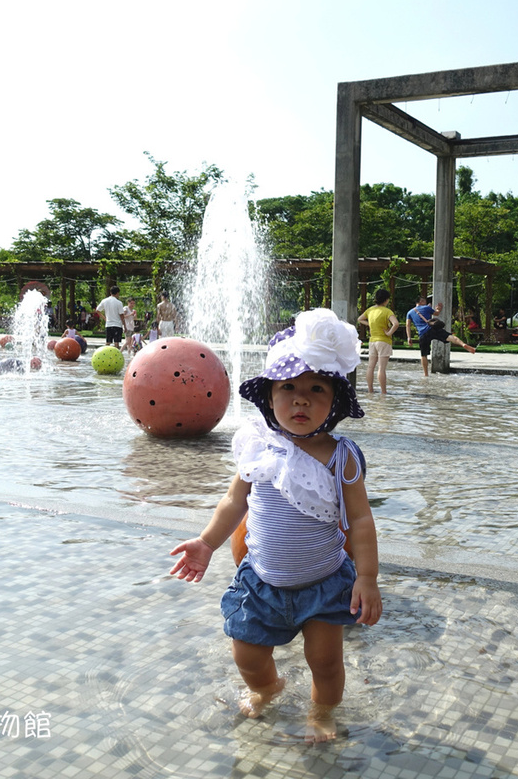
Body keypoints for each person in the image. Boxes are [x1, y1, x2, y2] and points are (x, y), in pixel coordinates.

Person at [169, 309, 381, 742]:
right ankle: (267, 688)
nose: (300, 400)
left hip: (323, 583)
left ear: (335, 401)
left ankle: (322, 712)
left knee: (325, 662)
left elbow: (360, 519)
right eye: (288, 388)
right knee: (246, 651)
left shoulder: (341, 457)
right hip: (261, 581)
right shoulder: (258, 445)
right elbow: (234, 501)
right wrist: (208, 543)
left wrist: (368, 577)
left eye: (315, 389)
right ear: (269, 396)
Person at [357, 289, 399, 394]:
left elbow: (360, 319)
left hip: (372, 341)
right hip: (384, 341)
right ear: (386, 300)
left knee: (370, 367)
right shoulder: (387, 311)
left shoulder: (370, 310)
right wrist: (389, 333)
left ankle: (370, 390)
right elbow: (396, 324)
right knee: (381, 368)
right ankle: (383, 392)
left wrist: (370, 324)